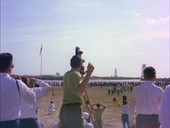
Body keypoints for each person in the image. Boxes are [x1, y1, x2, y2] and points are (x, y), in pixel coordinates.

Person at [0, 53, 36, 128]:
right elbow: (32, 100)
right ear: (10, 67)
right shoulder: (17, 83)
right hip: (13, 124)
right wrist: (24, 86)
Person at [59, 55, 94, 128]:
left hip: (64, 109)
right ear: (81, 65)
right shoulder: (76, 74)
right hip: (74, 110)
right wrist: (89, 72)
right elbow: (80, 90)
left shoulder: (66, 74)